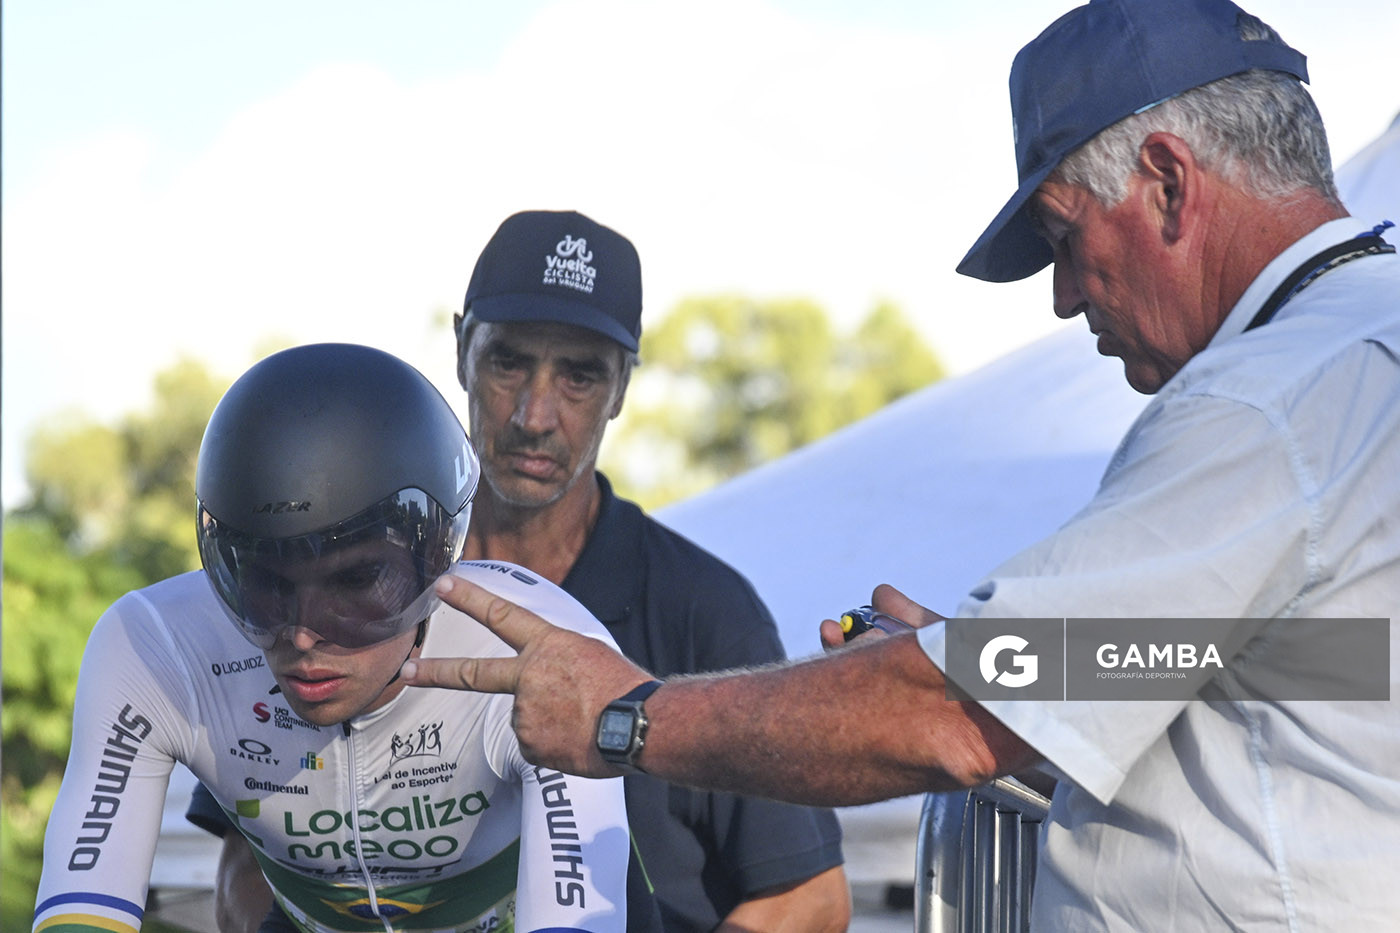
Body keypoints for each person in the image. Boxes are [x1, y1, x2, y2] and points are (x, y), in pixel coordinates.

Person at [397, 1, 1400, 929]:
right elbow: (1310, 674)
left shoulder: (1261, 402)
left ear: (1169, 184)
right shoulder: (1355, 355)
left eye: (1060, 235)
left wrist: (624, 717)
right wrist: (997, 659)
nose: (1059, 296)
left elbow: (957, 720)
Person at [188, 210, 849, 933]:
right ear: (461, 348)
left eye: (579, 375)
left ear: (622, 388)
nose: (535, 414)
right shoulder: (325, 582)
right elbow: (242, 868)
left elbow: (808, 900)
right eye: (508, 362)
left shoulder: (705, 607)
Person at [33, 343, 639, 933]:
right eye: (266, 581)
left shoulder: (539, 648)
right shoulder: (155, 647)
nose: (302, 634)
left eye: (357, 580)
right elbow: (80, 910)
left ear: (437, 553)